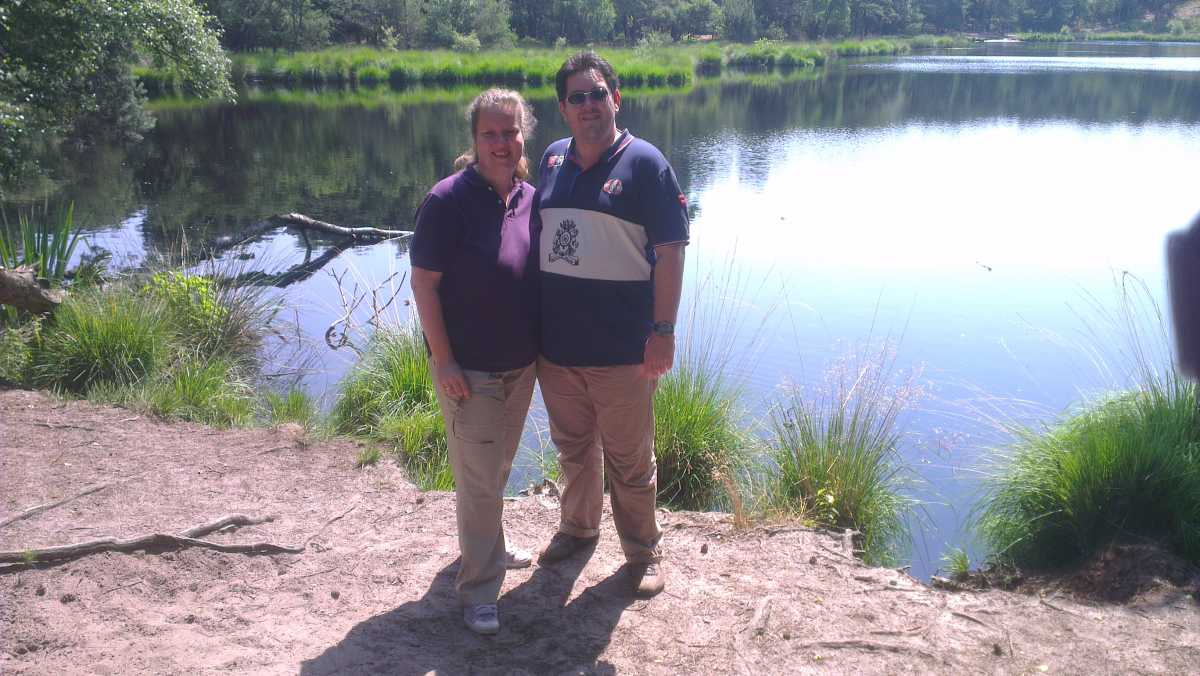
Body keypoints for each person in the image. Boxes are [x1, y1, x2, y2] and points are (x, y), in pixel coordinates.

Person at [534, 52, 689, 598]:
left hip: (624, 351)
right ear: (563, 108)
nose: (589, 105)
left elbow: (671, 251)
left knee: (630, 461)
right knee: (574, 450)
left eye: (598, 94)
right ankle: (578, 530)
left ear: (616, 99)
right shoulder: (552, 159)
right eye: (576, 97)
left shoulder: (646, 164)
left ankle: (643, 553)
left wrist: (663, 331)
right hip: (557, 350)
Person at [409, 88, 539, 635]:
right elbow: (424, 285)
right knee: (480, 479)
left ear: (523, 136)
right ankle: (480, 590)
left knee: (496, 468)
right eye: (491, 133)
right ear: (475, 139)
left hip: (520, 366)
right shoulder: (447, 201)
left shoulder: (529, 198)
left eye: (510, 132)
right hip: (469, 370)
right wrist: (443, 361)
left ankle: (488, 547)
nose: (502, 142)